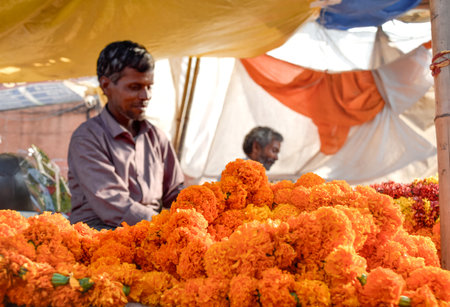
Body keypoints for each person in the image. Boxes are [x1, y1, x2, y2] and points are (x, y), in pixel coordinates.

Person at [67, 40, 185, 230]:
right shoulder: (87, 138)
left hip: (151, 236)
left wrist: (196, 214)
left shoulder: (157, 138)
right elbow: (114, 204)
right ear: (106, 85)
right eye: (135, 87)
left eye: (149, 86)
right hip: (98, 242)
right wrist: (164, 226)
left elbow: (176, 193)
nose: (145, 95)